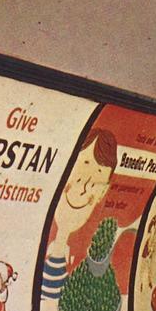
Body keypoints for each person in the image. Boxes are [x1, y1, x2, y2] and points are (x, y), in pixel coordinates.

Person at [41, 127, 117, 300]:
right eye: (85, 164)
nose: (82, 189)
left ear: (102, 193)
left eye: (95, 182)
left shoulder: (74, 273)